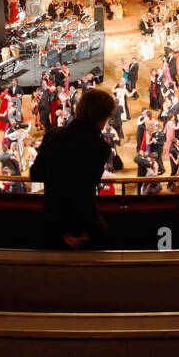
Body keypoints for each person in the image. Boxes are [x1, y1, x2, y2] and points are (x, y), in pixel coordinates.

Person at [29, 87, 115, 249]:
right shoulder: (100, 147)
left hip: (51, 218)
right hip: (83, 224)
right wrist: (72, 232)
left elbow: (35, 174)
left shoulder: (53, 135)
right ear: (102, 119)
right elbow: (83, 189)